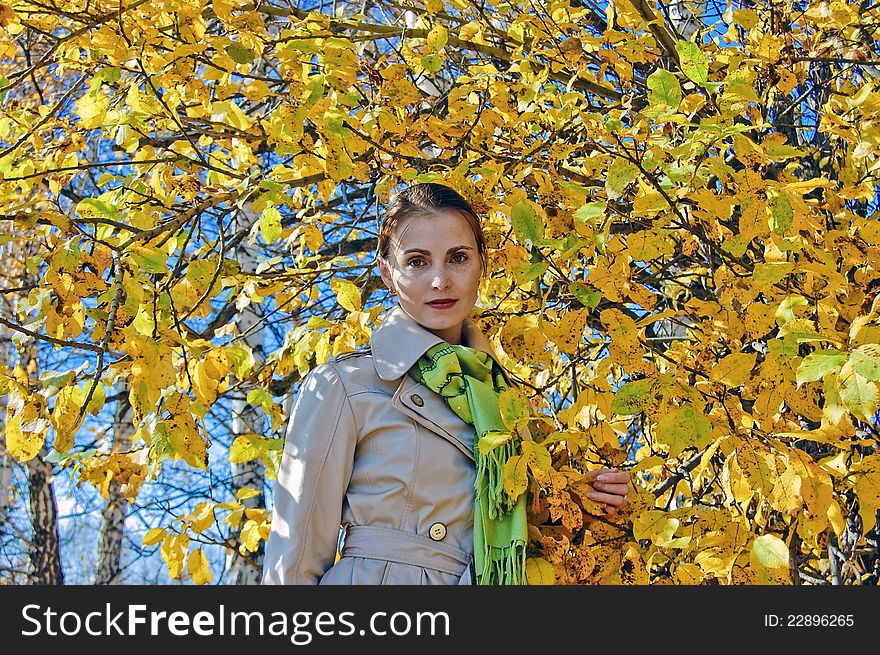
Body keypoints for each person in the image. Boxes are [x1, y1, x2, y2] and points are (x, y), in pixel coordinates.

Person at [261, 182, 631, 585]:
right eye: (417, 262)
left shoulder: (506, 404)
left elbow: (523, 531)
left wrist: (588, 494)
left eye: (457, 258)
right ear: (388, 273)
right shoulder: (345, 384)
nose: (440, 280)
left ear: (481, 266)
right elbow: (294, 556)